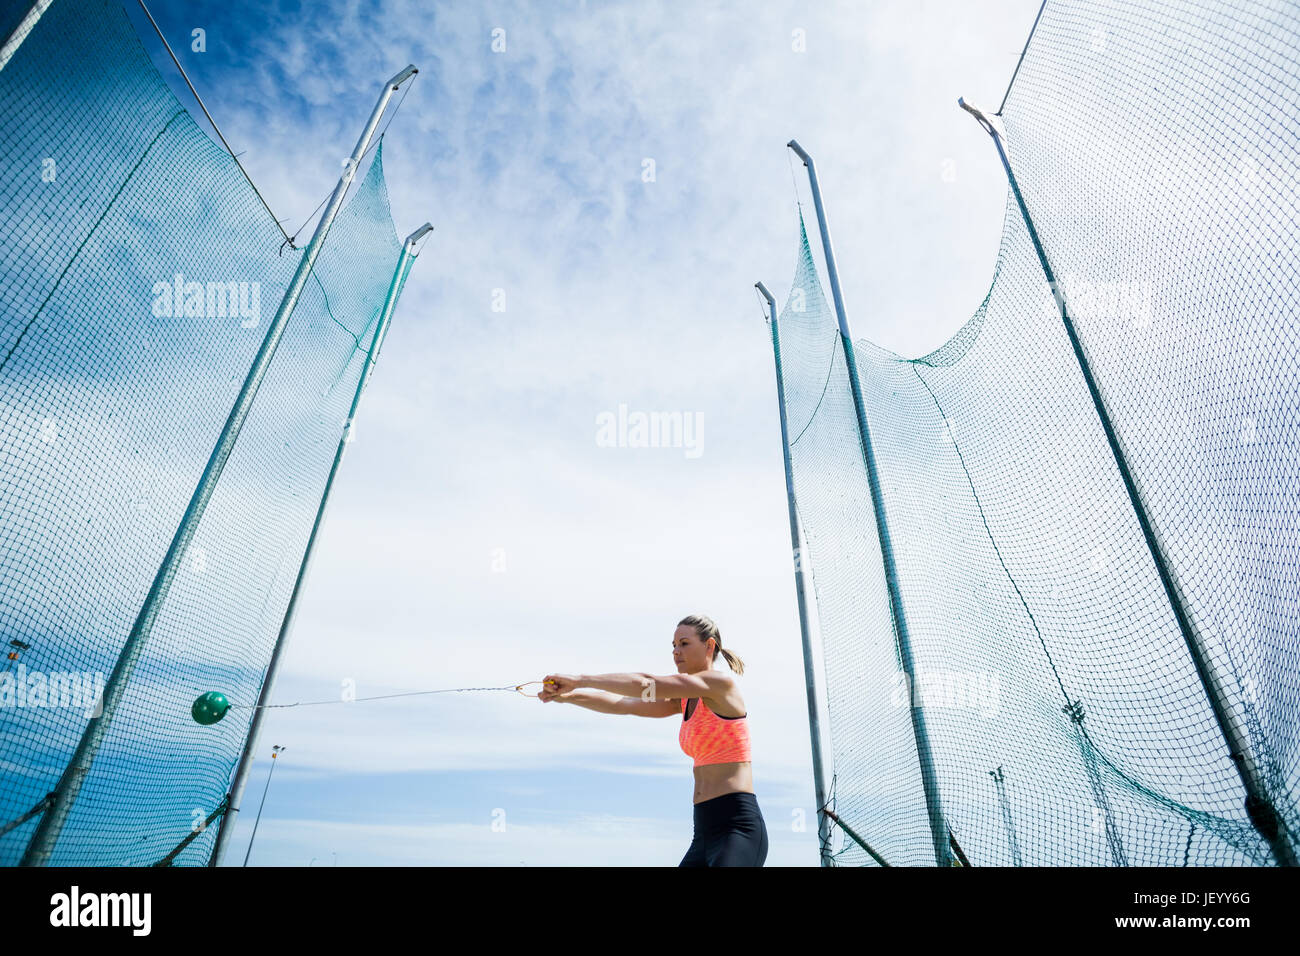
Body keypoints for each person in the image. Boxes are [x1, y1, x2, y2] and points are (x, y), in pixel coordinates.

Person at [539, 614, 768, 866]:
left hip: (736, 828)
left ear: (709, 646)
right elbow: (624, 704)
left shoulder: (720, 685)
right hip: (703, 831)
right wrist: (569, 696)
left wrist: (580, 679)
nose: (676, 652)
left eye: (684, 643)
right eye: (673, 646)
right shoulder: (683, 700)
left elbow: (647, 684)